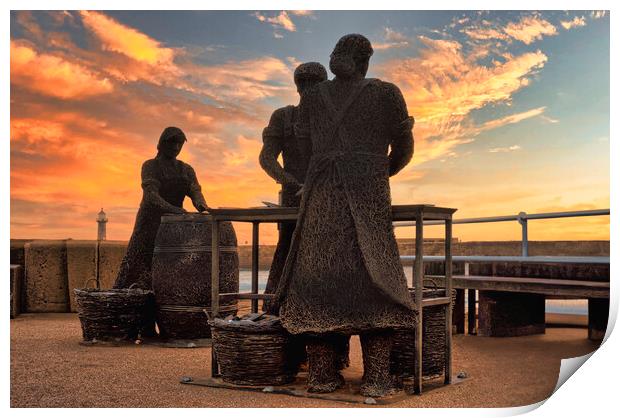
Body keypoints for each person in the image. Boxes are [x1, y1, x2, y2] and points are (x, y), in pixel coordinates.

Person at [274, 34, 416, 397]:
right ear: (366, 60)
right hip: (367, 194)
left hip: (321, 194)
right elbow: (403, 145)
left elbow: (305, 144)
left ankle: (322, 377)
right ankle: (377, 377)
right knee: (376, 277)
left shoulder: (313, 98)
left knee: (319, 282)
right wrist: (380, 170)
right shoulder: (386, 94)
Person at [259, 62, 328, 314]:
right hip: (293, 200)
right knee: (287, 255)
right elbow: (267, 158)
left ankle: (313, 317)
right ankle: (277, 315)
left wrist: (312, 183)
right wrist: (289, 181)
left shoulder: (331, 121)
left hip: (324, 198)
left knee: (321, 257)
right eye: (305, 85)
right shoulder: (283, 116)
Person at [113, 127, 209, 290]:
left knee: (169, 263)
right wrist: (173, 209)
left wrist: (202, 206)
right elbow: (151, 195)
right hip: (149, 223)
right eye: (172, 143)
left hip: (172, 225)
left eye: (179, 144)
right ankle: (129, 299)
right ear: (162, 144)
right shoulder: (151, 166)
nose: (176, 147)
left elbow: (195, 191)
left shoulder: (186, 169)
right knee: (138, 264)